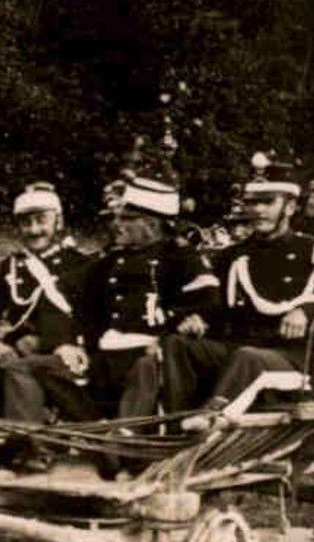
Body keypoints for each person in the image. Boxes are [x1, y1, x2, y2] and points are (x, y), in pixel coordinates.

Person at [161, 160, 314, 412]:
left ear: (290, 207)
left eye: (268, 202)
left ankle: (212, 419)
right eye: (253, 202)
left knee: (247, 356)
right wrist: (199, 319)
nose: (258, 210)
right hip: (238, 348)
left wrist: (306, 312)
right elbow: (219, 306)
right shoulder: (234, 255)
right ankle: (178, 422)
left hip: (295, 359)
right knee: (178, 345)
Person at [77, 175, 213, 418]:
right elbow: (78, 304)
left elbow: (207, 302)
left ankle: (125, 441)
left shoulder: (180, 258)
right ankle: (83, 431)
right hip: (103, 353)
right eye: (118, 216)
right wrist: (69, 344)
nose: (116, 224)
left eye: (127, 219)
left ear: (151, 225)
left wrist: (171, 331)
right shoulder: (107, 262)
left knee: (145, 369)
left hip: (150, 350)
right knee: (44, 369)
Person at [0, 182, 96, 433]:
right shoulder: (12, 267)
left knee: (21, 370)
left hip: (62, 356)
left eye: (41, 221)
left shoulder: (82, 265)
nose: (34, 230)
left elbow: (96, 318)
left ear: (58, 222)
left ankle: (29, 447)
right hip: (14, 354)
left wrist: (55, 343)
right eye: (26, 223)